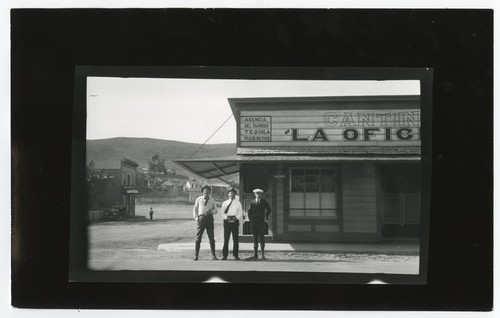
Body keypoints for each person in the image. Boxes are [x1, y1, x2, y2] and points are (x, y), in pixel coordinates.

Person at [192, 185, 218, 261]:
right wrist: (197, 218)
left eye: (208, 190)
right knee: (198, 237)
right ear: (202, 192)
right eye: (205, 190)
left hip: (209, 218)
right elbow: (195, 210)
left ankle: (213, 255)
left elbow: (216, 211)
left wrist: (211, 211)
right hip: (201, 218)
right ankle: (196, 255)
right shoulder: (199, 199)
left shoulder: (212, 200)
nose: (206, 192)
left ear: (210, 192)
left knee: (211, 237)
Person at [247, 188, 272, 260]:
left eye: (259, 194)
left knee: (262, 238)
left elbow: (269, 209)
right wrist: (251, 220)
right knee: (255, 239)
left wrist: (266, 216)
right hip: (254, 222)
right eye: (256, 193)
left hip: (261, 222)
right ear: (254, 194)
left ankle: (262, 255)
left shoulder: (264, 201)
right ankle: (255, 255)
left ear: (261, 194)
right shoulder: (252, 202)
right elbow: (249, 212)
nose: (258, 195)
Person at [220, 188, 243, 260]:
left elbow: (240, 212)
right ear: (228, 194)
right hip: (227, 220)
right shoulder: (225, 202)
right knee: (226, 238)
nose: (231, 194)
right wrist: (226, 218)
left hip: (235, 220)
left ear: (235, 194)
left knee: (235, 238)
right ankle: (224, 255)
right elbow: (222, 212)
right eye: (230, 193)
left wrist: (236, 218)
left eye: (233, 193)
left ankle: (236, 255)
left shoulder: (238, 203)